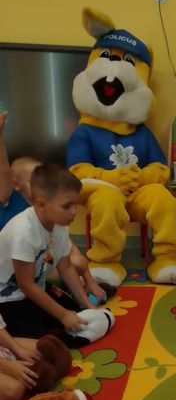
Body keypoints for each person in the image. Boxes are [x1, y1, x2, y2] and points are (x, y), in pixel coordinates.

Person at [0, 163, 98, 346]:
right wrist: (63, 315)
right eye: (67, 206)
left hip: (36, 287)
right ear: (41, 204)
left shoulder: (59, 224)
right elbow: (26, 285)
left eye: (75, 205)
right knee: (42, 339)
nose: (74, 212)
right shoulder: (23, 233)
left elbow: (66, 267)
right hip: (8, 297)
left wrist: (86, 304)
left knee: (78, 312)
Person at [0, 146, 111, 305]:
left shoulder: (54, 212)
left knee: (75, 263)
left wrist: (90, 283)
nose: (42, 184)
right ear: (16, 184)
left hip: (40, 267)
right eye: (34, 181)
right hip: (17, 278)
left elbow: (66, 249)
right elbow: (3, 170)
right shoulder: (15, 208)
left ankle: (83, 288)